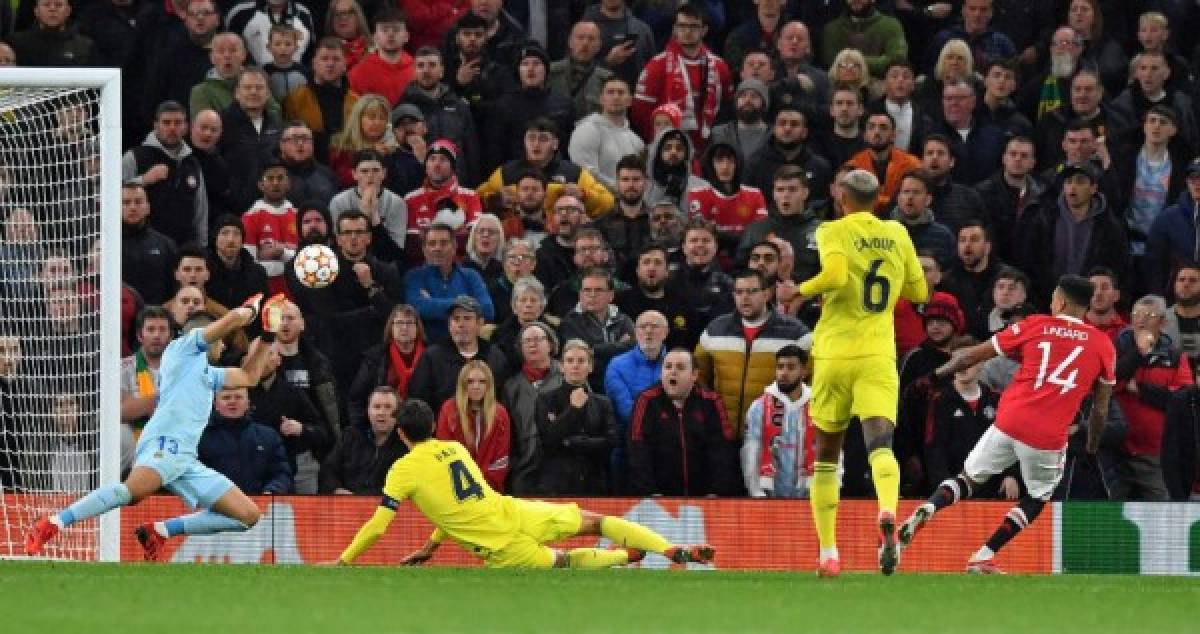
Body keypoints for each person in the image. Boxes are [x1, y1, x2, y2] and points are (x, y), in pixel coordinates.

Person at [24, 294, 280, 559]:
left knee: (247, 516)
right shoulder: (184, 347)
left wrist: (269, 335)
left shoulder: (208, 373)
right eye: (221, 342)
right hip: (164, 442)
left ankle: (160, 531)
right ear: (209, 337)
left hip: (186, 458)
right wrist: (251, 309)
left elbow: (249, 377)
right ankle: (52, 524)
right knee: (132, 492)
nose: (224, 347)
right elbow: (230, 321)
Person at [898, 275, 1115, 574]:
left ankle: (928, 508)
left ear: (1061, 301)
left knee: (967, 479)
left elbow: (971, 356)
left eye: (1053, 298)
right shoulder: (1104, 344)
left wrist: (933, 377)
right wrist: (1091, 446)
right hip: (1048, 434)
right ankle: (984, 554)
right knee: (1039, 496)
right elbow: (1101, 408)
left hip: (1009, 420)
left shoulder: (1035, 324)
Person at [337, 398, 713, 568]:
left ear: (401, 433)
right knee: (595, 521)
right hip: (515, 510)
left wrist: (344, 560)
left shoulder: (402, 470)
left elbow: (378, 526)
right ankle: (668, 549)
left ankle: (618, 557)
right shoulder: (454, 450)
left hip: (500, 546)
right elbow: (455, 505)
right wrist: (431, 547)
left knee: (563, 564)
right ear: (433, 426)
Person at [791, 169, 928, 577]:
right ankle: (887, 509)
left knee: (827, 458)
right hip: (877, 355)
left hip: (834, 355)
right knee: (880, 446)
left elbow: (833, 276)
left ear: (843, 198)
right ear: (879, 199)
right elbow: (920, 293)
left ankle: (829, 553)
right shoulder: (897, 234)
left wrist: (797, 291)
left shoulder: (833, 230)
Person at [695, 269, 809, 439]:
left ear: (766, 294)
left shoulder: (796, 333)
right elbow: (698, 375)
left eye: (751, 291)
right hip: (723, 435)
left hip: (775, 437)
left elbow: (812, 379)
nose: (744, 297)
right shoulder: (714, 330)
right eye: (739, 292)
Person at [1111, 295, 1189, 501]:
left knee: (1164, 514)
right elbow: (1107, 385)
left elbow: (1183, 400)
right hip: (1116, 452)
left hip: (1155, 454)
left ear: (1163, 322)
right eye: (1136, 314)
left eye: (1150, 315)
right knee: (1108, 516)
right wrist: (1139, 351)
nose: (1141, 320)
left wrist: (1142, 391)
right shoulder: (1114, 351)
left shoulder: (1175, 357)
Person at [629, 349, 737, 496]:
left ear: (694, 375)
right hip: (658, 497)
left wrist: (716, 491)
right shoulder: (646, 400)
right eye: (668, 367)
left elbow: (722, 449)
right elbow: (638, 449)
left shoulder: (711, 401)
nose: (672, 372)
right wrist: (649, 492)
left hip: (704, 497)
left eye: (680, 367)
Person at [741, 344, 817, 498]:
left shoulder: (819, 405)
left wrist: (829, 490)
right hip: (770, 497)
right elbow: (751, 452)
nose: (783, 373)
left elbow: (831, 452)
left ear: (804, 372)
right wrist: (757, 494)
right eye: (780, 367)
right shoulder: (759, 407)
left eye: (791, 367)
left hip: (811, 497)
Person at [198, 385, 293, 495]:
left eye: (238, 397)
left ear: (248, 403)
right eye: (226, 398)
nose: (232, 402)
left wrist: (273, 490)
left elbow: (282, 473)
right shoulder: (199, 437)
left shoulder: (268, 436)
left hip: (258, 506)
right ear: (215, 405)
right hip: (211, 506)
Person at [436, 360, 512, 492]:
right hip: (455, 490)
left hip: (490, 491)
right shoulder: (449, 410)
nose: (476, 386)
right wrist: (464, 486)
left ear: (489, 385)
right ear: (462, 385)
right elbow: (444, 453)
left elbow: (501, 460)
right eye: (470, 381)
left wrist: (480, 486)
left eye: (482, 382)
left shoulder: (500, 414)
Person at [319, 385, 408, 494]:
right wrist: (336, 489)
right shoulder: (350, 435)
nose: (381, 412)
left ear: (398, 413)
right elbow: (328, 470)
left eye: (388, 407)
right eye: (376, 407)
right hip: (345, 505)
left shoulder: (406, 444)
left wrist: (360, 498)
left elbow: (403, 486)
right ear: (368, 411)